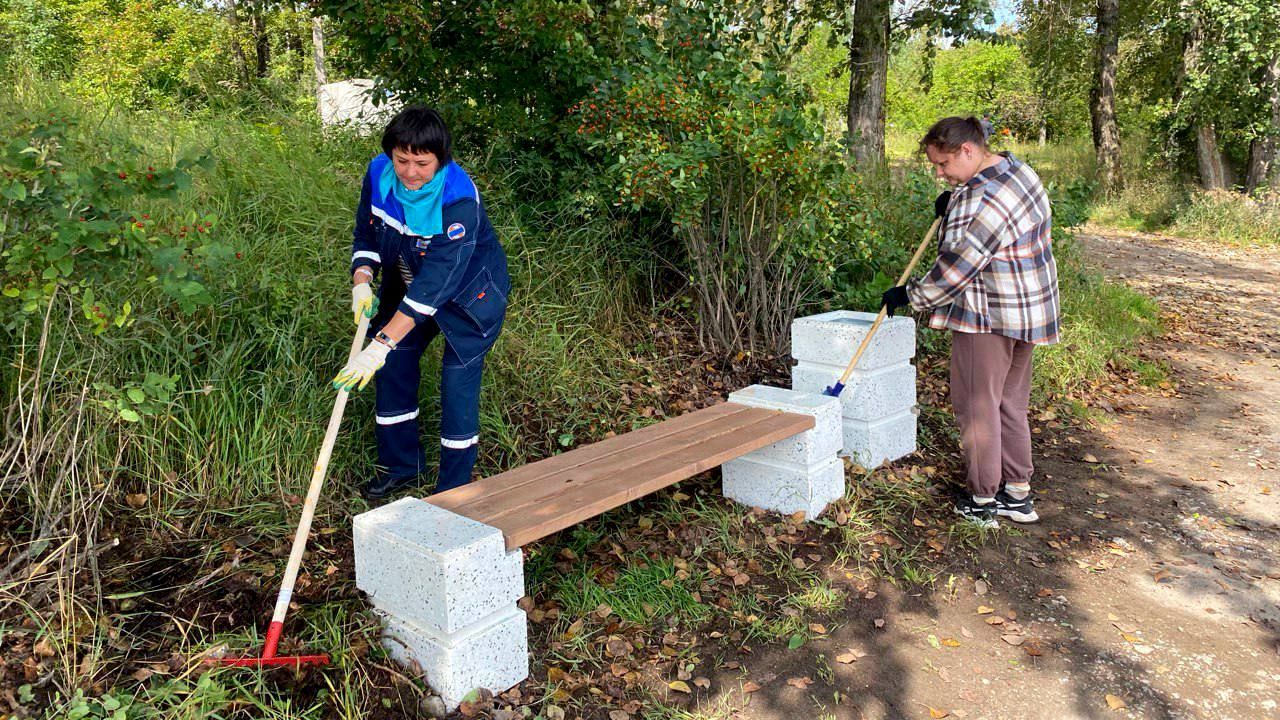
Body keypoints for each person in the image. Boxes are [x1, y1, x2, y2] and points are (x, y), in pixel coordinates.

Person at [880, 116, 1059, 528]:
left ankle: (982, 500)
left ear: (968, 150)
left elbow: (957, 267)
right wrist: (951, 203)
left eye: (942, 165)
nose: (940, 174)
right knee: (1009, 403)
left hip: (988, 317)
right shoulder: (1017, 170)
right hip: (1028, 311)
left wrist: (909, 295)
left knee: (977, 408)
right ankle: (1017, 493)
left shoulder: (980, 198)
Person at [333, 105, 510, 500]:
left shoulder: (458, 202)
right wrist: (361, 281)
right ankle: (402, 467)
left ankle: (451, 491)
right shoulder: (379, 174)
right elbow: (366, 231)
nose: (410, 173)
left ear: (441, 159)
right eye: (402, 160)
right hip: (408, 283)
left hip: (468, 300)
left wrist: (378, 344)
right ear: (391, 154)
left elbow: (436, 284)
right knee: (394, 365)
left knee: (456, 385)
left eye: (422, 163)